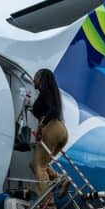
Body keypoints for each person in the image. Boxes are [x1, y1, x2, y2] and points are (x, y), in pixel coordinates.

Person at [29, 69, 69, 200]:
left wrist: (42, 124)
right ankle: (61, 179)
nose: (33, 80)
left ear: (40, 79)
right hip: (61, 130)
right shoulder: (53, 93)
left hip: (52, 128)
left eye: (35, 77)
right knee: (39, 164)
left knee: (38, 166)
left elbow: (53, 110)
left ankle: (47, 202)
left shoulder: (45, 92)